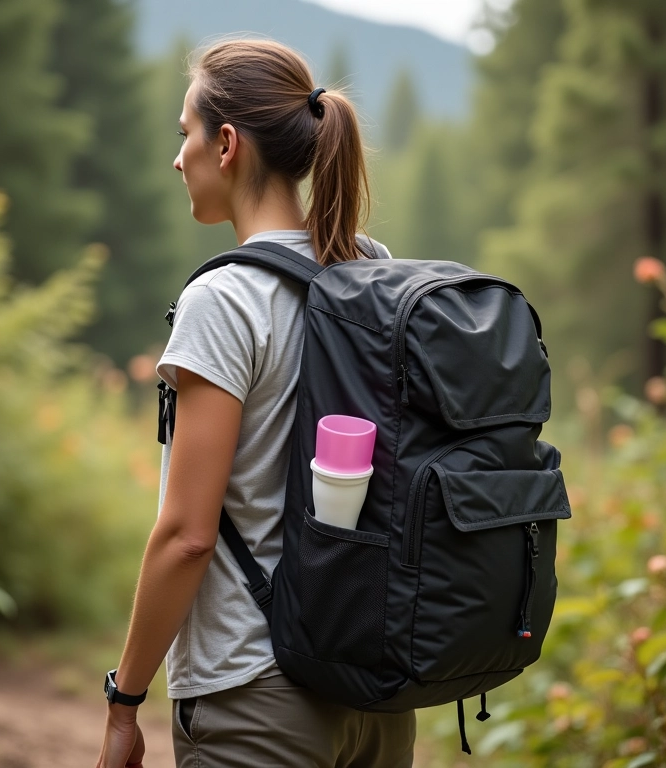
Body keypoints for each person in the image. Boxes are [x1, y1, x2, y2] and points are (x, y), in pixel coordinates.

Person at [95, 38, 416, 768]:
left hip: (257, 695)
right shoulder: (371, 268)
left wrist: (125, 699)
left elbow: (187, 536)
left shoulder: (224, 298)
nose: (179, 159)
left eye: (186, 135)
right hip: (373, 690)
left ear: (228, 143)